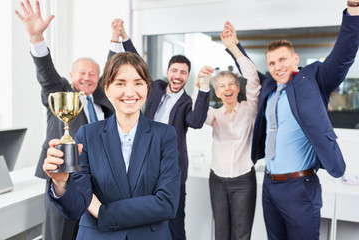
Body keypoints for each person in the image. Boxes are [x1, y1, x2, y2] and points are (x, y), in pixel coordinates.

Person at [223, 3, 359, 239]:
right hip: (270, 185)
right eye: (272, 63)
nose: (277, 67)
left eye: (282, 60)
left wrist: (354, 13)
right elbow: (250, 71)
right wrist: (234, 46)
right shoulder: (269, 88)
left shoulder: (314, 79)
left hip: (300, 188)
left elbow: (342, 56)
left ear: (295, 58)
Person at [43, 51, 181, 240]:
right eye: (120, 83)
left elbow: (167, 203)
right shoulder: (88, 134)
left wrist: (102, 211)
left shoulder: (165, 135)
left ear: (147, 88)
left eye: (138, 83)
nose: (130, 92)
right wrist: (61, 183)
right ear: (106, 88)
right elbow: (76, 208)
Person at [15, 0, 115, 239]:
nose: (87, 78)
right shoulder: (60, 92)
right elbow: (46, 75)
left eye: (93, 74)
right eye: (82, 73)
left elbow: (113, 68)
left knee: (89, 232)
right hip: (62, 175)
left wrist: (114, 38)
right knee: (59, 233)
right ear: (71, 76)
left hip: (97, 179)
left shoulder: (105, 101)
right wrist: (37, 39)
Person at [110, 19, 210, 240]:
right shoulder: (155, 87)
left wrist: (204, 87)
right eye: (174, 70)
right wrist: (124, 36)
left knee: (174, 222)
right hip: (142, 163)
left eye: (183, 73)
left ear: (187, 77)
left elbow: (196, 122)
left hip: (171, 169)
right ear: (168, 71)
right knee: (142, 220)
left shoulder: (186, 103)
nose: (178, 76)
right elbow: (137, 62)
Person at [192, 29, 260, 240]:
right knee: (221, 233)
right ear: (218, 93)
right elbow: (198, 115)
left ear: (238, 88)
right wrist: (201, 84)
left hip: (243, 180)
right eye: (222, 86)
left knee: (241, 234)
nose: (227, 88)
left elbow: (253, 78)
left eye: (231, 84)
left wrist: (234, 47)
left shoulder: (250, 109)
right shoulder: (214, 115)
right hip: (217, 180)